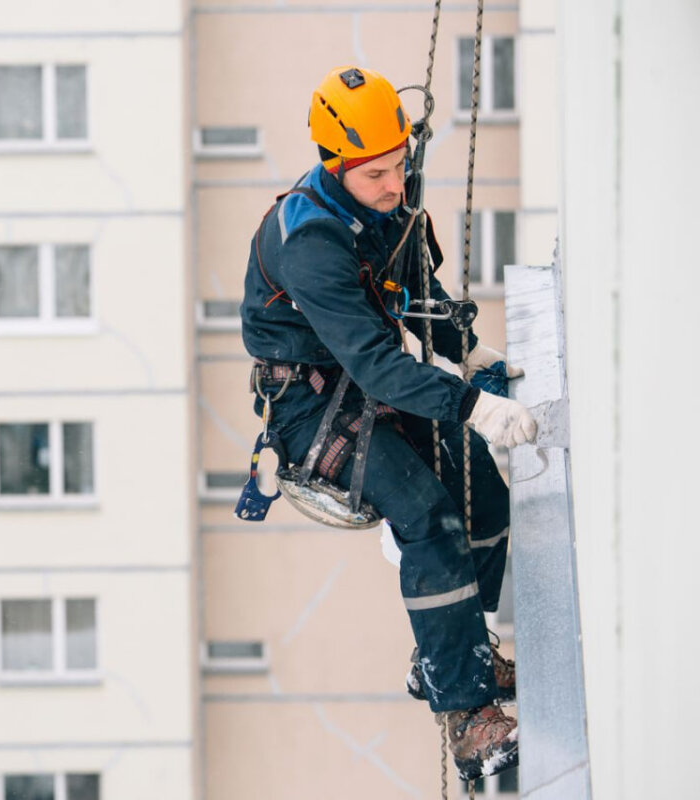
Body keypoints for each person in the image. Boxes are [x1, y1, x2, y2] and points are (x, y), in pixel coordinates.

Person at [239, 65, 536, 781]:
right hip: (316, 403)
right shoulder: (307, 241)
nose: (396, 185)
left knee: (485, 496)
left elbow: (422, 300)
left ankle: (452, 651)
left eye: (402, 165)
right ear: (336, 166)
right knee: (429, 516)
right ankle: (467, 717)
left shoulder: (392, 205)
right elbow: (375, 363)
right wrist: (474, 403)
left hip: (369, 376)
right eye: (377, 175)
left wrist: (477, 357)